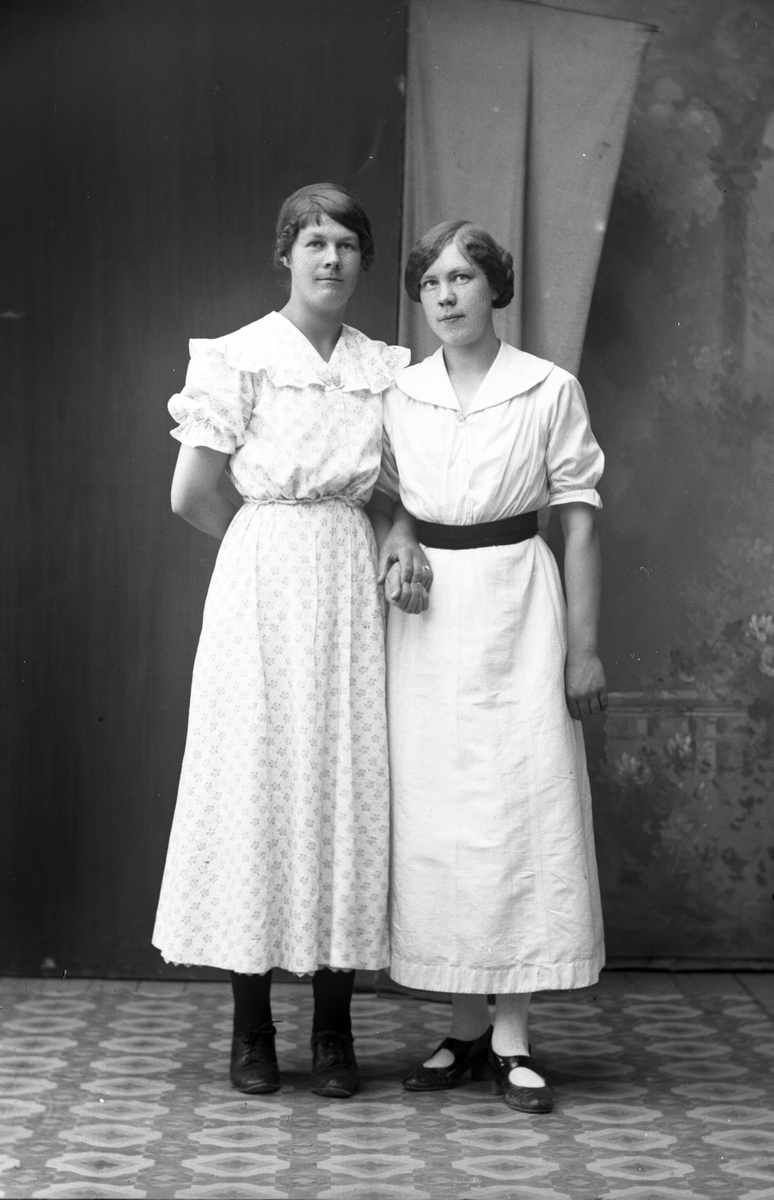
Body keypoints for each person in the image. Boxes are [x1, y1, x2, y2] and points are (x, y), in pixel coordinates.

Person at [152, 183, 428, 1100]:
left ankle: (335, 1030)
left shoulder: (382, 368)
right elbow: (192, 495)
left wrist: (394, 531)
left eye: (347, 244)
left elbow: (395, 492)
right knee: (258, 787)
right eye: (314, 242)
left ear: (363, 261)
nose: (332, 258)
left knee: (345, 782)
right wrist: (267, 542)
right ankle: (253, 1031)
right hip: (261, 589)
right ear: (286, 255)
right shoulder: (238, 358)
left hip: (348, 589)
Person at [371, 219, 607, 1114]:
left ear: (494, 288)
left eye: (464, 278)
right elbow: (389, 496)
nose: (447, 295)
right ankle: (464, 1026)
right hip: (428, 619)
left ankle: (511, 1035)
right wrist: (402, 535)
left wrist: (583, 649)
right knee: (440, 816)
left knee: (520, 807)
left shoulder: (547, 387)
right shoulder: (400, 393)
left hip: (519, 606)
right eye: (432, 281)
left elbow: (578, 520)